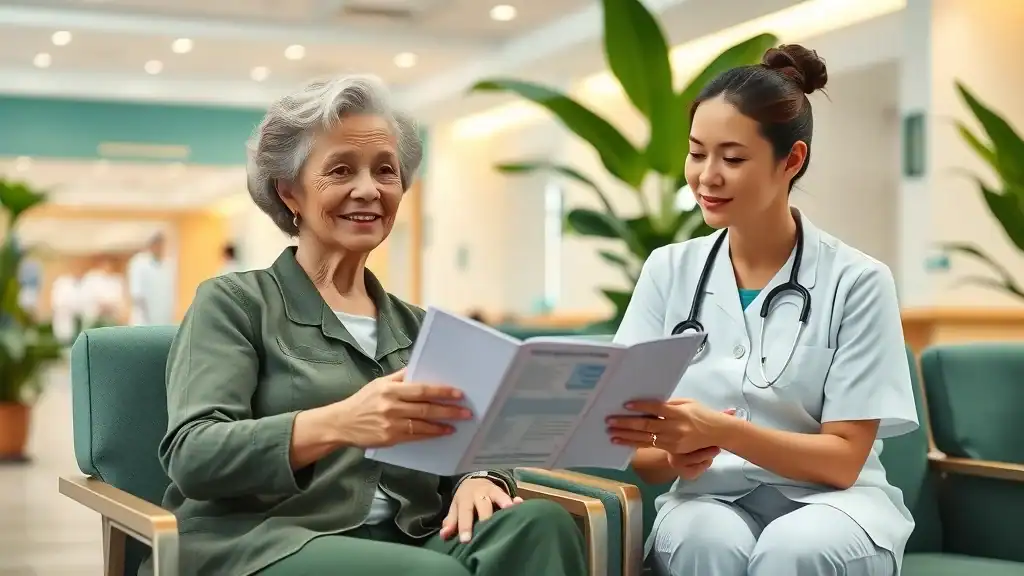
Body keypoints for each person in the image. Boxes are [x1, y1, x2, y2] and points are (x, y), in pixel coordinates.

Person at [138, 75, 586, 576]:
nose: (368, 189)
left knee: (542, 523)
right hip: (264, 539)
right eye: (341, 170)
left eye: (385, 171)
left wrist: (482, 476)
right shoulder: (236, 303)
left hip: (408, 536)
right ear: (290, 193)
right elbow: (193, 454)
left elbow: (478, 438)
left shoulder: (419, 327)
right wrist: (338, 422)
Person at [604, 44, 918, 576]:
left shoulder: (857, 280)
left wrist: (722, 432)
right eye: (696, 152)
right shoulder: (667, 270)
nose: (706, 176)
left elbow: (843, 461)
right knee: (705, 540)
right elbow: (638, 449)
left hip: (834, 506)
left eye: (732, 158)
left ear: (791, 160)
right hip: (708, 499)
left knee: (796, 548)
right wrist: (672, 455)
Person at [127, 233, 173, 325]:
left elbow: (168, 294)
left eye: (162, 245)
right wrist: (148, 316)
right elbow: (137, 294)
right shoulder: (139, 262)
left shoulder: (167, 265)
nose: (160, 248)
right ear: (151, 245)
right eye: (158, 245)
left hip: (163, 320)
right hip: (143, 320)